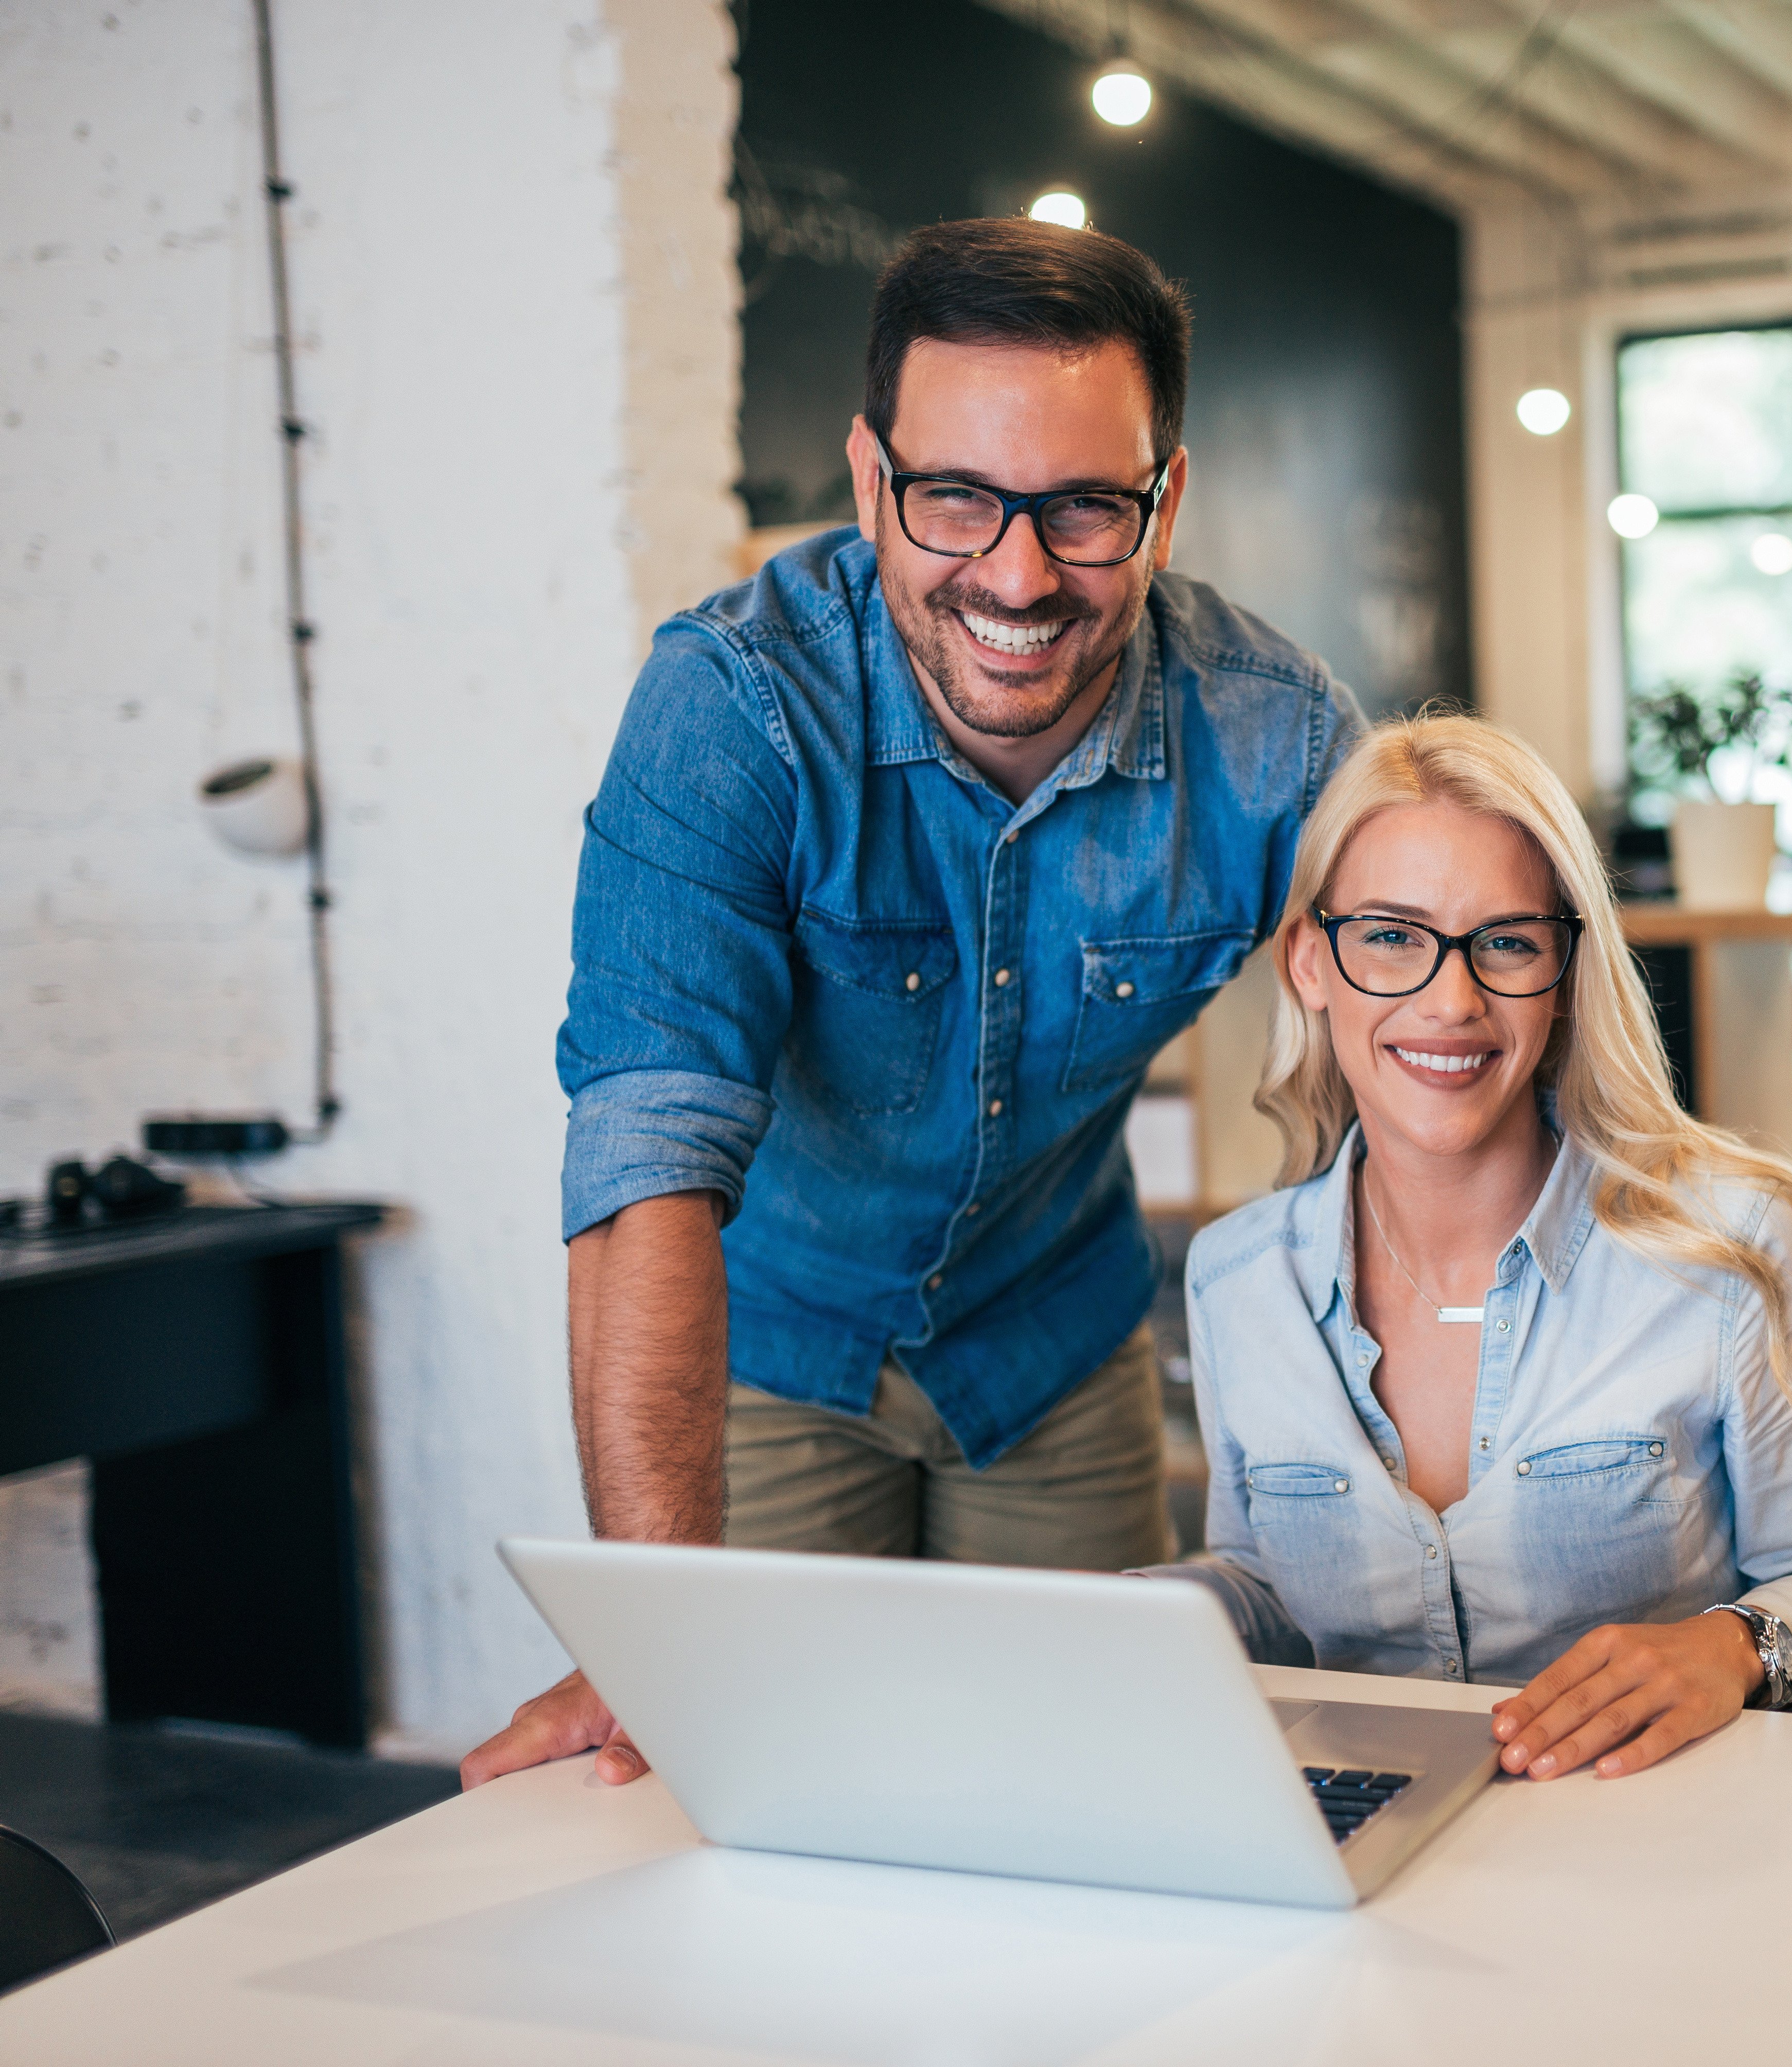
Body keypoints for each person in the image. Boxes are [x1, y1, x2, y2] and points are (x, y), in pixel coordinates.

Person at [460, 217, 1362, 1788]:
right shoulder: (732, 707)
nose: (1017, 576)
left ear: (1167, 499)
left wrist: (1717, 1345)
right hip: (767, 1348)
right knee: (758, 1802)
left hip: (1053, 1346)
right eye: (955, 499)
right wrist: (655, 1631)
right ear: (872, 479)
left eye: (1087, 509)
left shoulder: (1273, 740)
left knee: (1094, 1801)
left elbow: (1473, 1045)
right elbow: (644, 1158)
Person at [1152, 715, 1792, 1781]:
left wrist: (1732, 1648)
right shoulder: (1237, 1278)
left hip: (1657, 1848)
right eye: (1390, 936)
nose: (1450, 1000)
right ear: (1310, 964)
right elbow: (1269, 1591)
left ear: (1562, 975)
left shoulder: (1724, 1245)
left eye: (1506, 942)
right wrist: (1130, 1614)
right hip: (1368, 1847)